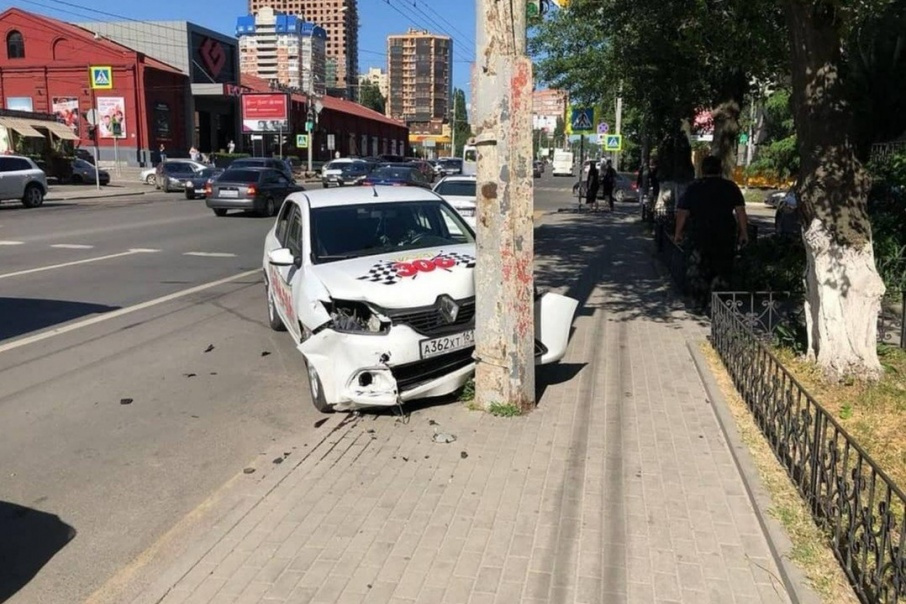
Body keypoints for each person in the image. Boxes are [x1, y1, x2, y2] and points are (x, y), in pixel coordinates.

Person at [673, 155, 749, 312]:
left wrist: (678, 233)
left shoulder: (694, 187)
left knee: (697, 267)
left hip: (699, 234)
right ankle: (718, 305)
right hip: (724, 234)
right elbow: (740, 211)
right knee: (721, 267)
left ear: (702, 170)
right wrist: (743, 233)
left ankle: (697, 304)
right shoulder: (730, 187)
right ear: (720, 169)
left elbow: (683, 212)